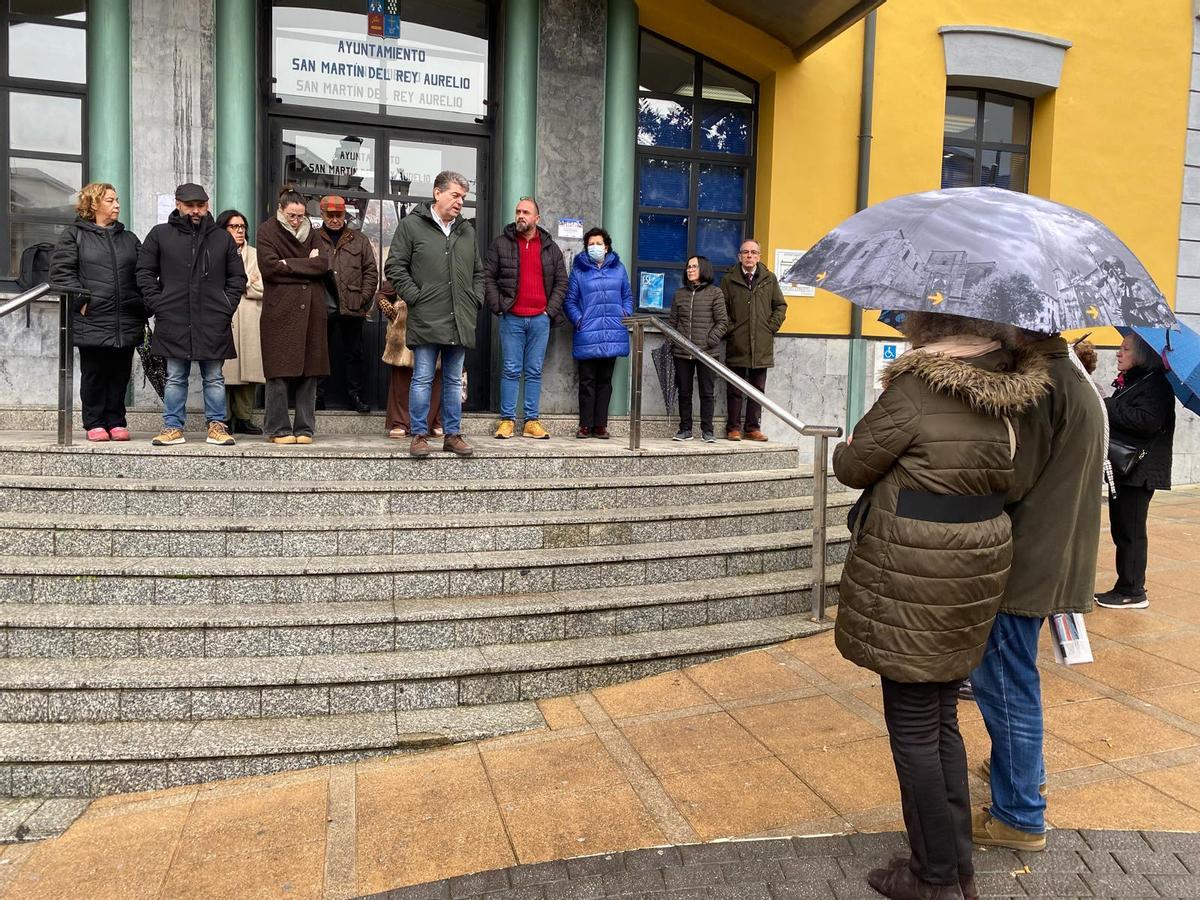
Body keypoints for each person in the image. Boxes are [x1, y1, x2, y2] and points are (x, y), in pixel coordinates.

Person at [833, 311, 1049, 900]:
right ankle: (956, 869)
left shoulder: (915, 388)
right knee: (941, 719)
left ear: (928, 327)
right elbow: (1015, 481)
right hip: (972, 573)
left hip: (914, 575)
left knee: (912, 728)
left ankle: (933, 878)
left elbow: (853, 467)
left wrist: (853, 443)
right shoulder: (1011, 393)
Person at [970, 331, 1105, 853]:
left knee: (1006, 686)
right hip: (1055, 549)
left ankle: (1019, 815)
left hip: (1026, 558)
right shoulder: (1073, 375)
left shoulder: (1041, 384)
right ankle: (1025, 774)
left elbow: (1011, 478)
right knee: (1014, 679)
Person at [135, 183, 245, 446]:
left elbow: (237, 277)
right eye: (190, 205)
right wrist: (158, 303)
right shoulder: (160, 234)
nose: (195, 210)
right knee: (175, 376)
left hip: (213, 318)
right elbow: (144, 272)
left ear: (207, 205)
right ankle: (172, 426)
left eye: (200, 205)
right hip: (173, 317)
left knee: (214, 377)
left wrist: (226, 306)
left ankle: (217, 426)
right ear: (178, 205)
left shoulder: (222, 238)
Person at [384, 170, 483, 459]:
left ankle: (453, 435)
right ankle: (419, 435)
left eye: (463, 197)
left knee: (453, 380)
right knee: (423, 378)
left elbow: (478, 272)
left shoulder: (466, 230)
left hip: (459, 318)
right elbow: (394, 267)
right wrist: (416, 297)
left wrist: (474, 300)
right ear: (437, 193)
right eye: (455, 195)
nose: (460, 202)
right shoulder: (411, 225)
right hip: (426, 316)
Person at [50, 182, 145, 442]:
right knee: (94, 373)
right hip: (92, 318)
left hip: (126, 317)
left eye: (117, 200)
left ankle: (116, 421)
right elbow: (61, 273)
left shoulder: (129, 239)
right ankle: (94, 422)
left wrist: (143, 304)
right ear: (93, 204)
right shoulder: (74, 236)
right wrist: (82, 302)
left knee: (120, 374)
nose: (117, 205)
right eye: (110, 200)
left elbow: (144, 273)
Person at [1096, 332, 1175, 609]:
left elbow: (1147, 422)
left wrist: (1107, 404)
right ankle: (1125, 585)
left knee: (1131, 531)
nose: (1119, 353)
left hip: (1140, 471)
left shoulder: (1155, 385)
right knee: (1123, 528)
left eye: (1126, 349)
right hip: (1127, 470)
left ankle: (1133, 590)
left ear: (1142, 355)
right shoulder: (1136, 380)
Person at [485, 196, 568, 439]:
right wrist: (499, 306)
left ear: (537, 218)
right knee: (511, 369)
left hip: (540, 319)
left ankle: (532, 421)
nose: (521, 216)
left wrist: (548, 311)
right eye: (518, 211)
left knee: (534, 370)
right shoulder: (501, 244)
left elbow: (562, 282)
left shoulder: (551, 248)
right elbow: (488, 277)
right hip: (512, 317)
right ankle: (507, 421)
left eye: (526, 212)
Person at [256, 188, 332, 446]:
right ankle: (278, 428)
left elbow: (323, 264)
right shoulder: (267, 231)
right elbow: (269, 268)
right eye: (292, 215)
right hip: (280, 311)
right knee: (278, 372)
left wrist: (288, 263)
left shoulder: (313, 232)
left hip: (312, 310)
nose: (297, 220)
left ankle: (305, 428)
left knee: (310, 372)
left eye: (301, 215)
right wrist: (306, 263)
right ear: (281, 210)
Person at [564, 227, 634, 439]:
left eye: (598, 243)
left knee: (605, 381)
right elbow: (570, 301)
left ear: (606, 247)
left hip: (612, 332)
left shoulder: (619, 269)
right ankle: (585, 425)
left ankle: (601, 425)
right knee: (587, 381)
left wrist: (625, 313)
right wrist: (579, 320)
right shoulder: (579, 271)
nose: (594, 247)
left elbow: (627, 296)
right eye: (590, 244)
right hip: (588, 333)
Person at [313, 195, 379, 414]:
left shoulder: (359, 240)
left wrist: (362, 298)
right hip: (322, 304)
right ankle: (317, 396)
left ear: (345, 215)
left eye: (339, 215)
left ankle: (355, 396)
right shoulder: (312, 238)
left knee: (354, 354)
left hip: (352, 305)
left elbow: (371, 272)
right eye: (330, 215)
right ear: (322, 214)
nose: (334, 220)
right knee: (319, 353)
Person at [722, 239, 787, 441]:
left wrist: (770, 327)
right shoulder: (729, 280)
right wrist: (731, 329)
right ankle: (733, 427)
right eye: (745, 252)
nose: (749, 255)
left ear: (759, 256)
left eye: (753, 252)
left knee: (757, 389)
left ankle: (752, 428)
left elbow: (780, 306)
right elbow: (722, 308)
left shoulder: (769, 279)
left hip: (761, 344)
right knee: (734, 388)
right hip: (737, 342)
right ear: (739, 256)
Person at [667, 255, 728, 442]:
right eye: (688, 267)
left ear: (704, 269)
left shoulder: (715, 293)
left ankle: (707, 431)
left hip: (707, 353)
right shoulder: (679, 294)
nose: (690, 270)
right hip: (682, 352)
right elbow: (673, 323)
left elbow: (723, 322)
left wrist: (710, 341)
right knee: (684, 393)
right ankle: (685, 429)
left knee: (707, 393)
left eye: (694, 266)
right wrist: (674, 341)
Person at [216, 209, 264, 435]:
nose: (239, 231)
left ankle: (244, 418)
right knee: (223, 371)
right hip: (224, 315)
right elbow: (215, 285)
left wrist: (238, 282)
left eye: (242, 227)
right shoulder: (215, 252)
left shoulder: (255, 254)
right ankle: (222, 418)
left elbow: (262, 287)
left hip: (251, 317)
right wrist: (246, 280)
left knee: (248, 372)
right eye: (234, 227)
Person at [377, 279, 442, 438]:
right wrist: (393, 313)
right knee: (402, 378)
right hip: (405, 330)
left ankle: (435, 421)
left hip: (436, 323)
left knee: (436, 375)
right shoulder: (403, 269)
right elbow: (382, 295)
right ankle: (400, 422)